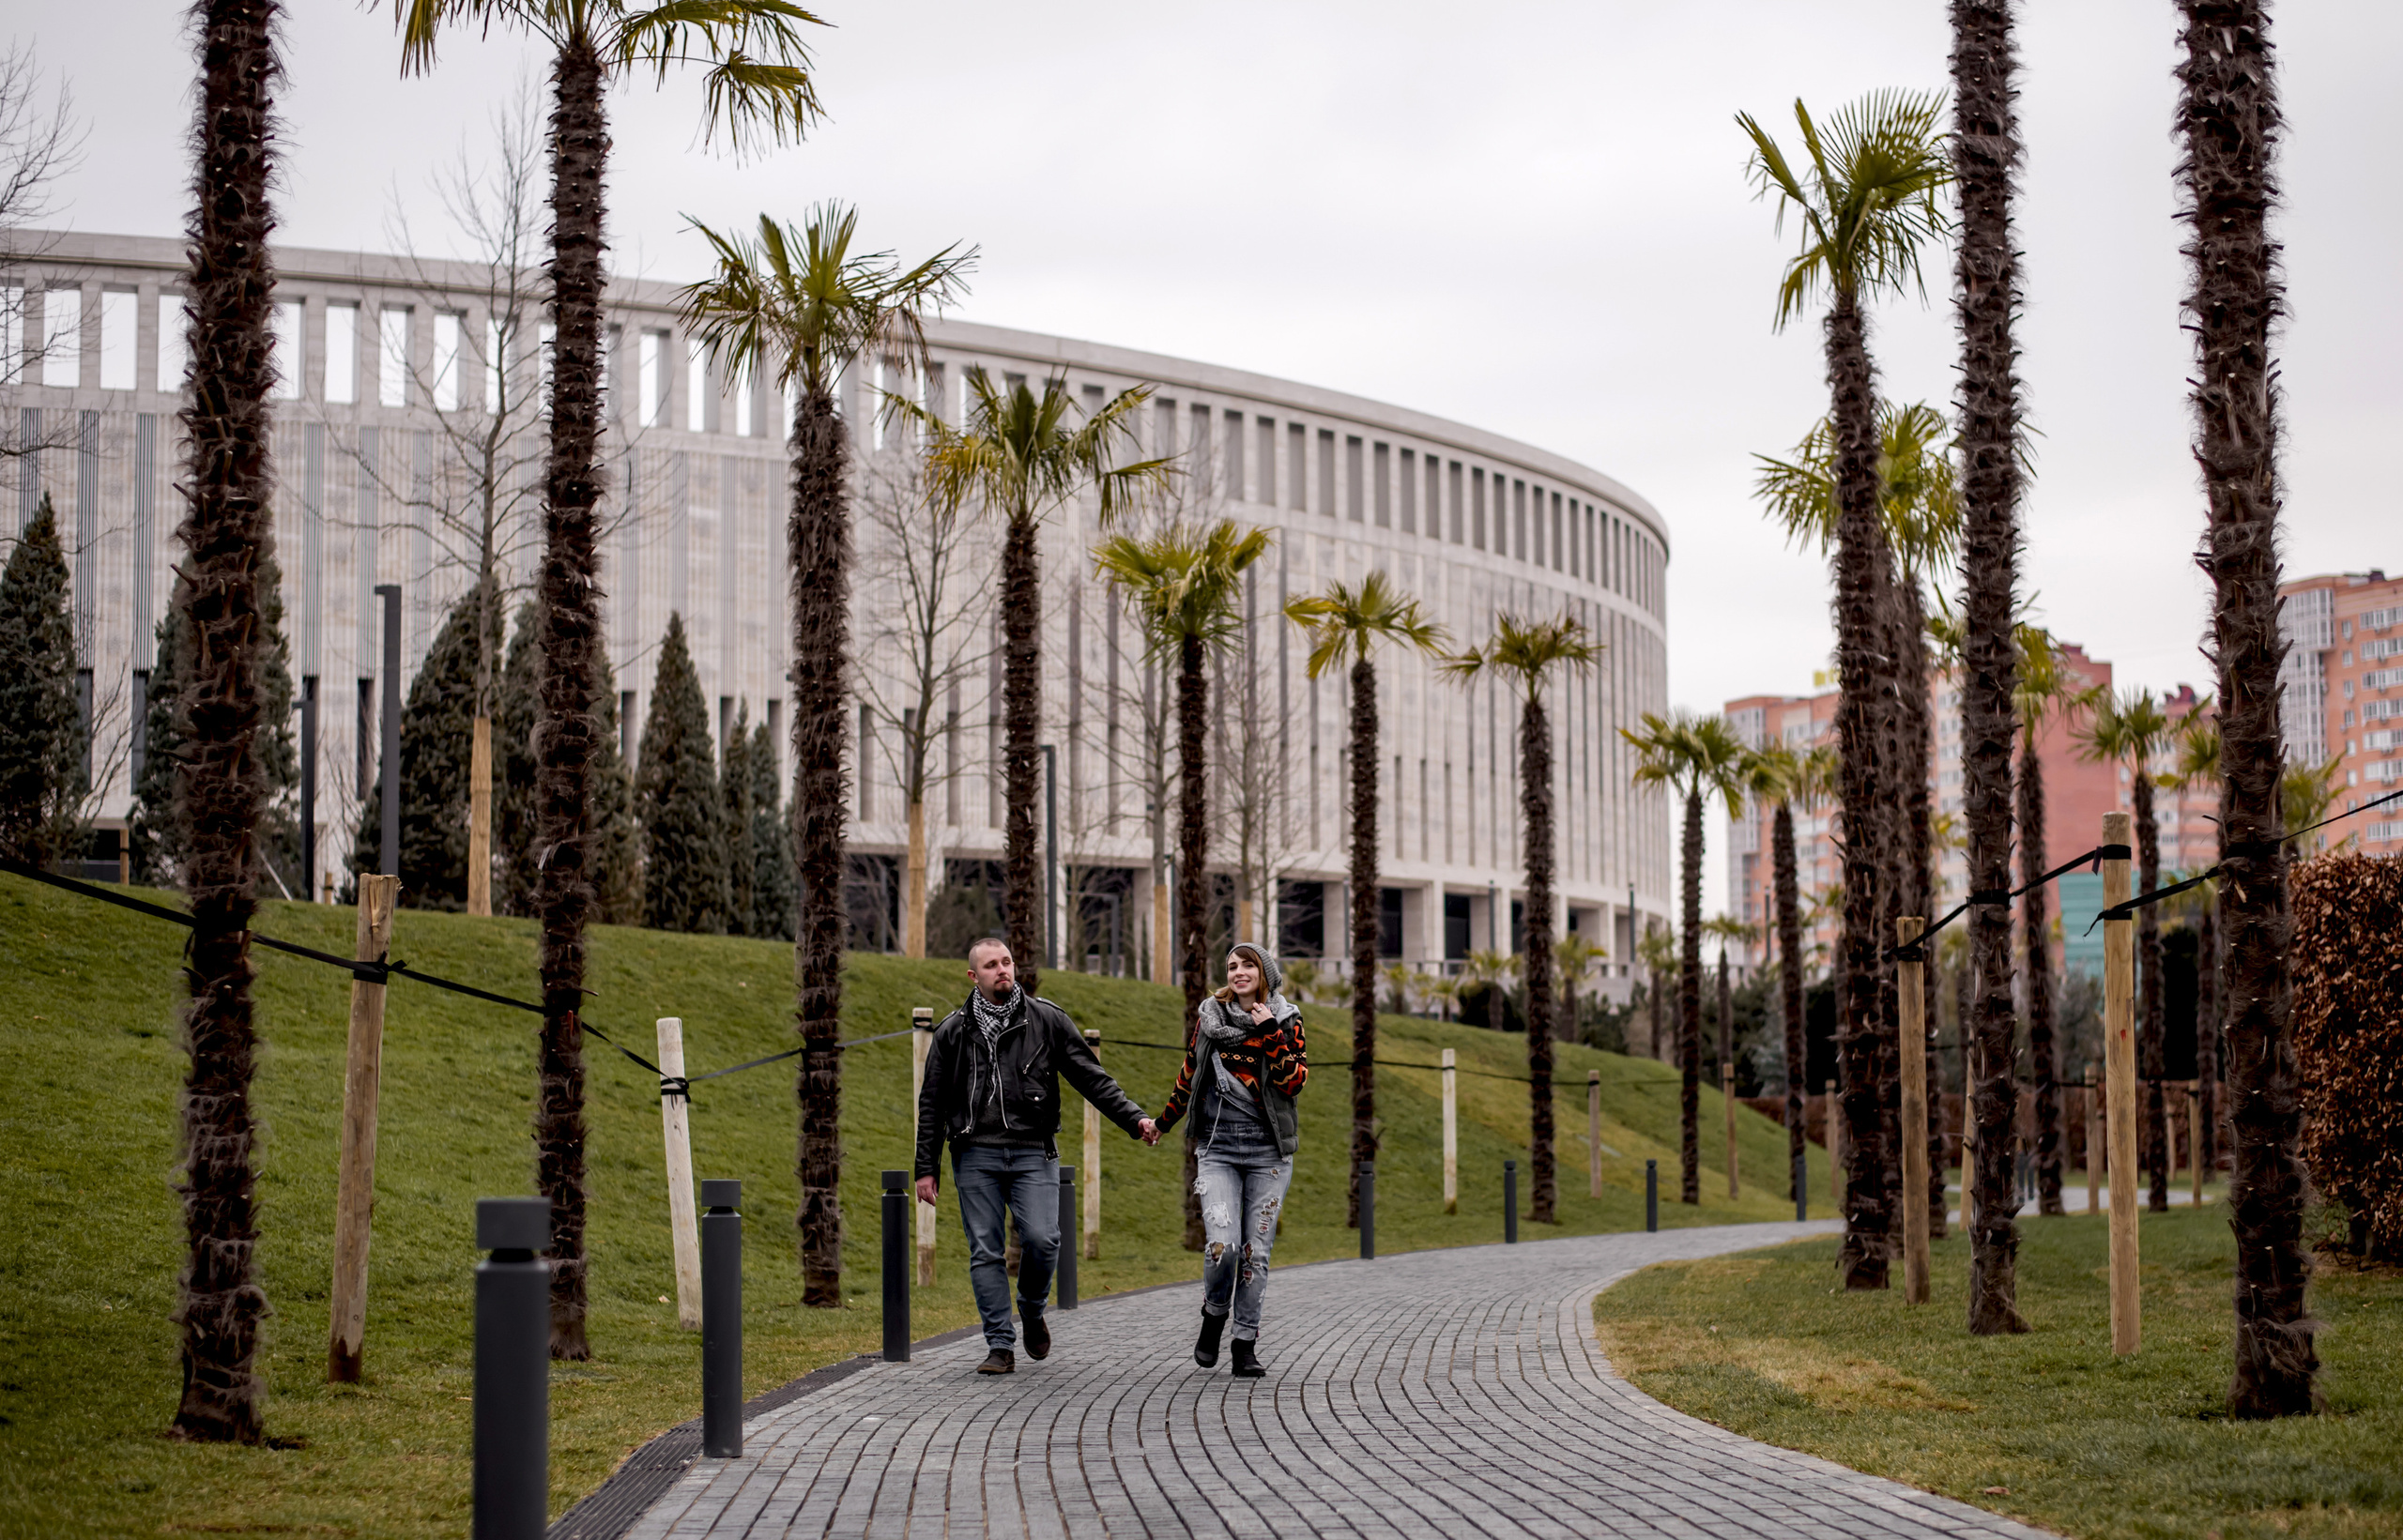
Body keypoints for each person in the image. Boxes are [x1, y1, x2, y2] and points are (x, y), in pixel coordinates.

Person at [915, 937, 1159, 1375]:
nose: (1003, 970)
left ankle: (1030, 1308)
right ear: (974, 976)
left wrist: (1135, 1119)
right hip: (975, 1154)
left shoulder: (1046, 1020)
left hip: (1033, 1151)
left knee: (1045, 1240)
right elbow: (931, 1102)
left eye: (1006, 961)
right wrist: (925, 1169)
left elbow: (1092, 1078)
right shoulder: (953, 1030)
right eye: (991, 965)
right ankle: (999, 1346)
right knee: (985, 1251)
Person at [1154, 941, 1308, 1378]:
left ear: (1265, 973)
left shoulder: (1287, 1019)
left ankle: (1244, 1343)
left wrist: (1272, 1033)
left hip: (1268, 1155)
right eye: (1231, 966)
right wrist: (1161, 1124)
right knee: (1222, 1248)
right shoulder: (1209, 1019)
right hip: (1218, 1149)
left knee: (1255, 1252)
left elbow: (1294, 1082)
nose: (1238, 972)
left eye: (1247, 965)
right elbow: (1189, 1074)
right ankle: (1214, 1314)